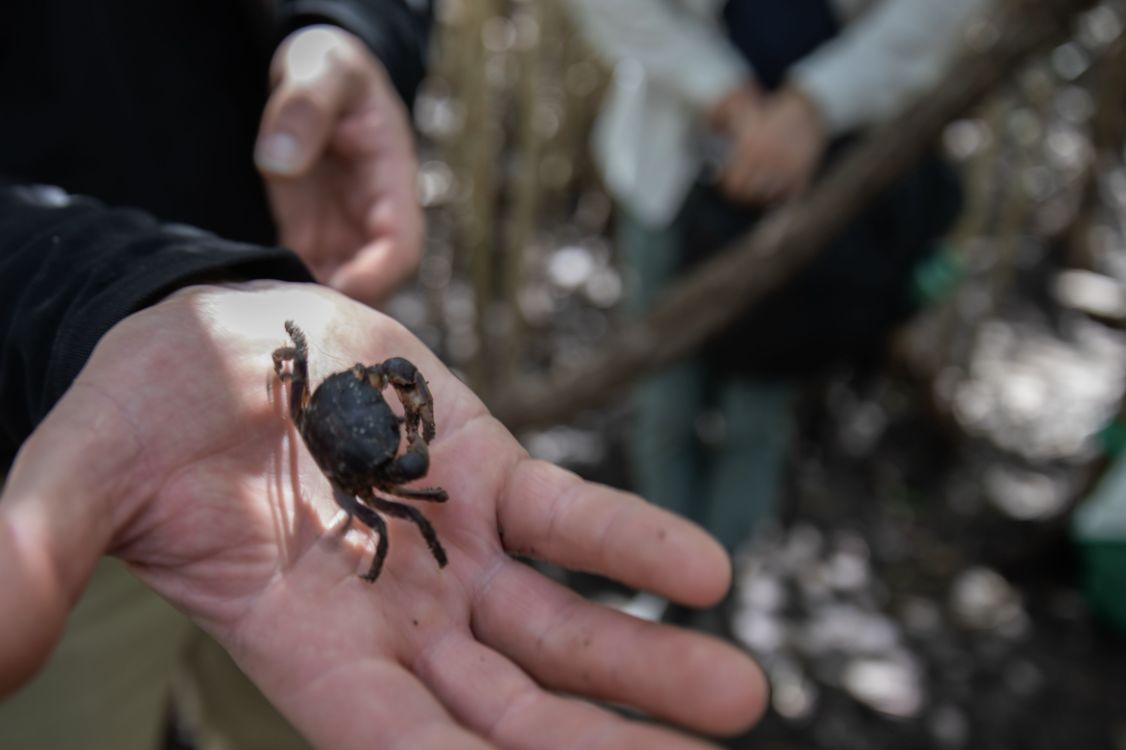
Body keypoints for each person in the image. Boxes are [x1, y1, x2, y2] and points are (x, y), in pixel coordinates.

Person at [0, 2, 768, 747]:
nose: (400, 420)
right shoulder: (379, 481)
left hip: (249, 258)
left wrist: (352, 26)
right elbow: (411, 505)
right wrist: (94, 297)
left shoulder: (323, 399)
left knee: (314, 711)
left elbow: (318, 375)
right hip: (41, 431)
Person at [565, 0, 985, 558]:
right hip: (673, 170)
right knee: (664, 394)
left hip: (826, 190)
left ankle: (720, 580)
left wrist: (816, 104)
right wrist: (724, 94)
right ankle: (659, 566)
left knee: (756, 411)